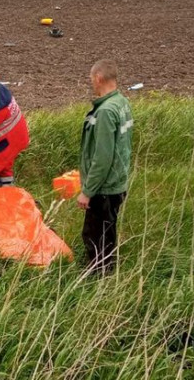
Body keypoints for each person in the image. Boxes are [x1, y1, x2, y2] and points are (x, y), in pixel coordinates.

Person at [77, 59, 133, 274]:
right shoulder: (122, 103)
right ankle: (105, 270)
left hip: (105, 187)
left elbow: (102, 157)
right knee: (107, 232)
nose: (92, 83)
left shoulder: (106, 112)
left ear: (98, 78)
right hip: (117, 180)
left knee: (95, 235)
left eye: (92, 79)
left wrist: (87, 191)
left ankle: (99, 276)